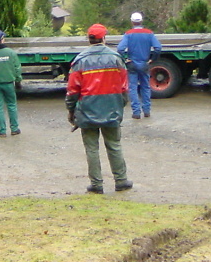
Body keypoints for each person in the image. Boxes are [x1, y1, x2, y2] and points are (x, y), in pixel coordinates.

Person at [66, 23, 132, 194]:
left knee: (92, 148)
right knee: (114, 145)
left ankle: (96, 184)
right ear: (104, 38)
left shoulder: (79, 61)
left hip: (87, 110)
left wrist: (71, 111)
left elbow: (73, 90)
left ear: (88, 39)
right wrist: (121, 104)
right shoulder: (116, 58)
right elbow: (124, 87)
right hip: (112, 109)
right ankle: (121, 180)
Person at [117, 12, 162, 119]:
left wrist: (125, 59)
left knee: (133, 88)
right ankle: (146, 111)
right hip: (145, 63)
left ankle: (136, 112)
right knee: (145, 87)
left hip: (132, 64)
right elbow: (158, 48)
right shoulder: (149, 33)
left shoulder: (128, 34)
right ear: (141, 21)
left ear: (132, 22)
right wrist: (152, 59)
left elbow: (120, 49)